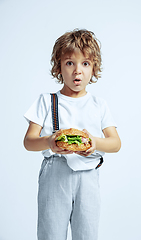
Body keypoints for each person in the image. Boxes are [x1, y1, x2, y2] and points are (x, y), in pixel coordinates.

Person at [23, 29, 121, 240]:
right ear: (58, 66)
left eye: (85, 63)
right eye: (70, 63)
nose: (78, 71)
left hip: (88, 176)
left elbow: (115, 143)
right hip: (55, 173)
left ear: (94, 68)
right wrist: (50, 141)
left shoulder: (99, 105)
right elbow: (29, 142)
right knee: (51, 233)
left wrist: (94, 143)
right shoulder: (47, 101)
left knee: (86, 234)